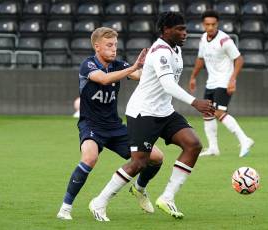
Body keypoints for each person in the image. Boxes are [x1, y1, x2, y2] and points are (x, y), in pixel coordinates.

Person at [88, 12, 215, 221]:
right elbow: (167, 84)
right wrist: (195, 102)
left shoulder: (176, 49)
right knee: (139, 163)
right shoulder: (160, 52)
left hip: (164, 111)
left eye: (185, 29)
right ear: (166, 30)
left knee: (193, 145)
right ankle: (99, 202)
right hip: (143, 112)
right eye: (179, 29)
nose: (185, 33)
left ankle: (166, 197)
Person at [57, 27, 164, 220]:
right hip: (91, 126)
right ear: (97, 47)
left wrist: (155, 68)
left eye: (115, 45)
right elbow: (104, 80)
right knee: (89, 158)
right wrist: (132, 68)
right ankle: (65, 208)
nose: (114, 49)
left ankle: (140, 189)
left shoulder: (118, 64)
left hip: (115, 127)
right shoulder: (87, 65)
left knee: (156, 157)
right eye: (109, 45)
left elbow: (140, 76)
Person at [188, 10, 254, 158]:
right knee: (207, 112)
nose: (210, 27)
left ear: (217, 24)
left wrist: (233, 79)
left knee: (218, 112)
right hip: (211, 82)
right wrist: (193, 77)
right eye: (207, 24)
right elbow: (200, 59)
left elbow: (239, 59)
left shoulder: (225, 40)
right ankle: (213, 148)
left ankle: (245, 140)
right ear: (203, 25)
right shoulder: (203, 38)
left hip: (224, 81)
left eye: (213, 24)